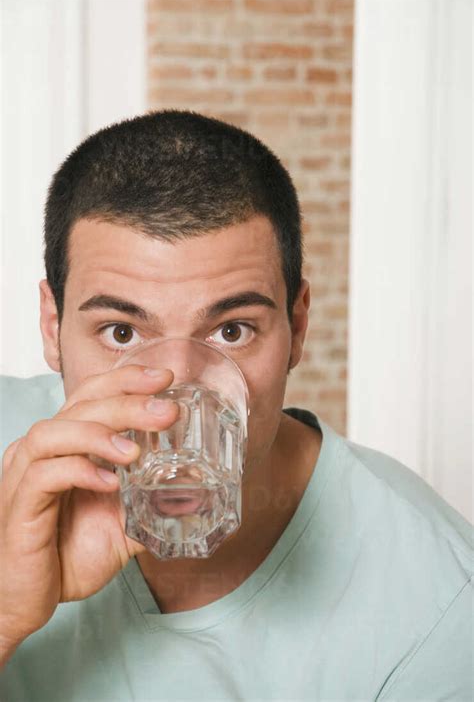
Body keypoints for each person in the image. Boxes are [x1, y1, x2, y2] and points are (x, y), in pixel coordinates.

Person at [0, 110, 472, 702]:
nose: (173, 395)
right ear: (52, 325)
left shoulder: (439, 606)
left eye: (231, 332)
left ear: (297, 326)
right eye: (121, 333)